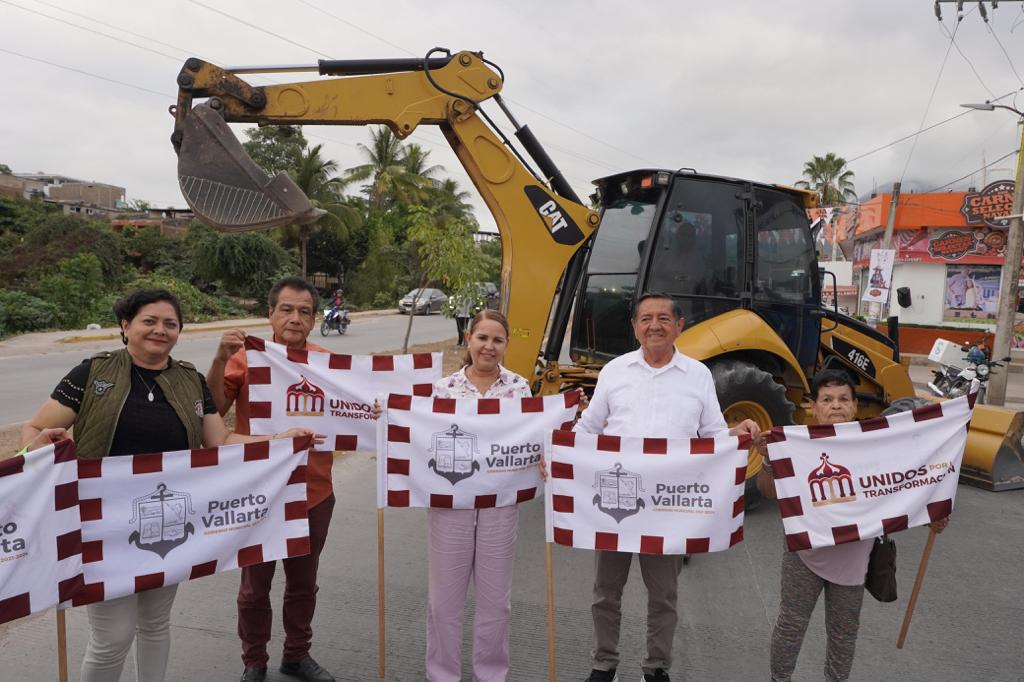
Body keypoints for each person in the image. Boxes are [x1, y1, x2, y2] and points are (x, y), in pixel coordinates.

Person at [19, 289, 317, 682]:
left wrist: (279, 442)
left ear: (179, 332)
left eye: (170, 324)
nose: (160, 330)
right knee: (112, 636)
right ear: (126, 327)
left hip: (169, 526)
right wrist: (37, 447)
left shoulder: (190, 380)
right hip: (101, 527)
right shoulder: (91, 373)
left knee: (156, 624)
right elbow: (37, 428)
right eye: (149, 321)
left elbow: (220, 442)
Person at [575, 293, 761, 682]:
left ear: (680, 325)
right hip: (615, 501)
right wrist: (557, 456)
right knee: (605, 592)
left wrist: (735, 434)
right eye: (645, 318)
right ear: (634, 327)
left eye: (663, 318)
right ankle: (602, 664)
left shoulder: (698, 376)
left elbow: (711, 435)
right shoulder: (614, 371)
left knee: (663, 596)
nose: (654, 325)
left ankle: (656, 667)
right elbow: (589, 427)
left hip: (667, 508)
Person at [373, 309, 532, 681]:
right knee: (444, 601)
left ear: (506, 345)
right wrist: (388, 415)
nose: (488, 346)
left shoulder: (519, 388)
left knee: (496, 602)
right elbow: (418, 432)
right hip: (450, 504)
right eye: (482, 337)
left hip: (500, 504)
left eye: (497, 339)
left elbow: (533, 439)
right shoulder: (442, 390)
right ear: (469, 339)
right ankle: (441, 673)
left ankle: (490, 674)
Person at [763, 370, 950, 682]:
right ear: (813, 406)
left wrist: (935, 511)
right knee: (791, 625)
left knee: (844, 635)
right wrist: (769, 461)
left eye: (843, 399)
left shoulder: (875, 448)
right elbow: (770, 492)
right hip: (804, 555)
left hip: (853, 560)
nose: (836, 406)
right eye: (827, 399)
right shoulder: (794, 445)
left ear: (854, 406)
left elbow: (904, 487)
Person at [206, 277, 337, 682]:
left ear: (314, 320)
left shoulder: (328, 364)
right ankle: (254, 661)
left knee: (303, 584)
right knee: (254, 586)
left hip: (314, 492)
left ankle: (296, 655)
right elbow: (211, 409)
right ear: (270, 314)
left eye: (304, 311)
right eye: (286, 309)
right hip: (259, 491)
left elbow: (360, 409)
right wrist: (218, 358)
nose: (295, 318)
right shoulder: (246, 358)